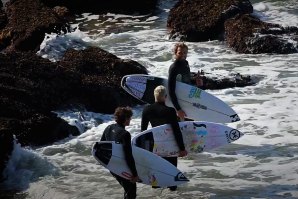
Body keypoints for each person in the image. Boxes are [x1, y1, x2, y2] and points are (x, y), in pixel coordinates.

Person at [141, 85, 188, 191]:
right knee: (171, 176)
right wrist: (182, 148)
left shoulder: (147, 110)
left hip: (156, 147)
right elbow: (176, 131)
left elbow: (143, 132)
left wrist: (143, 151)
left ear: (154, 96)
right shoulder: (170, 111)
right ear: (165, 96)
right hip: (170, 146)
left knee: (156, 178)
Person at [100, 106, 140, 199]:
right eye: (130, 117)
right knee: (131, 192)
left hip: (112, 165)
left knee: (128, 189)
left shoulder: (108, 128)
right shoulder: (125, 134)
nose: (130, 119)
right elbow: (128, 156)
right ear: (126, 119)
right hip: (121, 166)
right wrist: (134, 174)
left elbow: (101, 146)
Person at [168, 42, 204, 120]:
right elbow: (171, 91)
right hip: (179, 103)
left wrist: (196, 82)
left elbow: (186, 80)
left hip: (188, 100)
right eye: (180, 53)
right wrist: (178, 109)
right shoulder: (173, 68)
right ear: (175, 53)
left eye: (185, 53)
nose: (183, 55)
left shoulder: (186, 63)